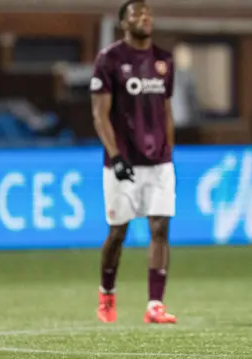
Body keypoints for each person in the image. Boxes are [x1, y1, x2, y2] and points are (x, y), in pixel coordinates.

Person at [90, 0, 177, 325]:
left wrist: (170, 149)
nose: (144, 18)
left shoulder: (164, 60)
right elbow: (100, 114)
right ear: (124, 23)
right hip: (122, 162)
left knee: (160, 227)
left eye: (148, 13)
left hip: (159, 161)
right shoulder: (109, 59)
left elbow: (166, 110)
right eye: (137, 14)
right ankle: (106, 292)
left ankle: (155, 304)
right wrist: (115, 155)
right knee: (118, 232)